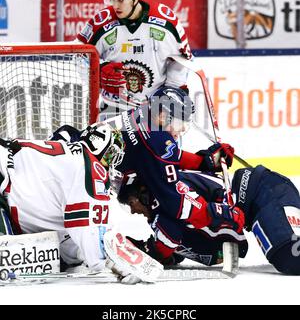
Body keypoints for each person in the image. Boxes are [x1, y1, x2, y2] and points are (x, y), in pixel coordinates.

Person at [51, 86, 242, 253]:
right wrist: (214, 213)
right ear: (162, 115)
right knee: (84, 249)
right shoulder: (157, 140)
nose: (182, 129)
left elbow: (161, 156)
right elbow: (176, 201)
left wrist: (203, 161)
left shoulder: (143, 114)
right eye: (179, 122)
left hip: (67, 168)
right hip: (77, 189)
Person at [118, 165, 300, 275]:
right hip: (261, 200)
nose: (133, 211)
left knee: (290, 257)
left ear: (143, 193)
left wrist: (151, 252)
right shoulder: (162, 215)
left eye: (131, 203)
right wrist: (151, 253)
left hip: (265, 192)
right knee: (289, 255)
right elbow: (177, 242)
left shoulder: (170, 193)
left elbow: (171, 235)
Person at [0, 125, 125, 273]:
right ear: (99, 143)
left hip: (5, 185)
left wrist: (81, 254)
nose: (110, 161)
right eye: (111, 153)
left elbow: (68, 233)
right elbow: (87, 229)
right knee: (7, 260)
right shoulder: (87, 167)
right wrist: (106, 262)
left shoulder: (69, 160)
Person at [76, 0, 192, 120]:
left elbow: (182, 59)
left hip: (156, 110)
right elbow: (78, 54)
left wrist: (170, 93)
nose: (115, 5)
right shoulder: (100, 23)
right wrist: (99, 71)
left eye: (120, 0)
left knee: (159, 145)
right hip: (112, 109)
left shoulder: (165, 21)